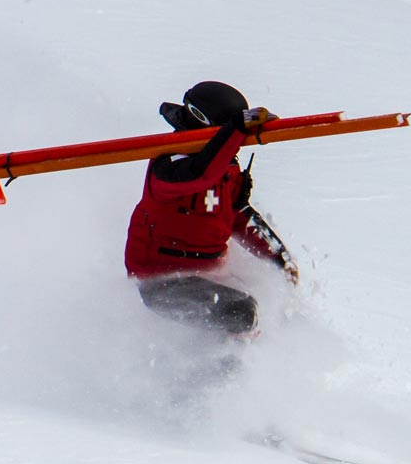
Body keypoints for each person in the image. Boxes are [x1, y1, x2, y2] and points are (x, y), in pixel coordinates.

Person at [123, 81, 298, 336]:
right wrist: (236, 129)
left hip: (208, 274)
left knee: (273, 310)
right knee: (240, 313)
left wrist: (278, 257)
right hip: (160, 283)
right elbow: (200, 176)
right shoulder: (168, 167)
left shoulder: (226, 168)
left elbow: (236, 215)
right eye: (233, 137)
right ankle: (219, 372)